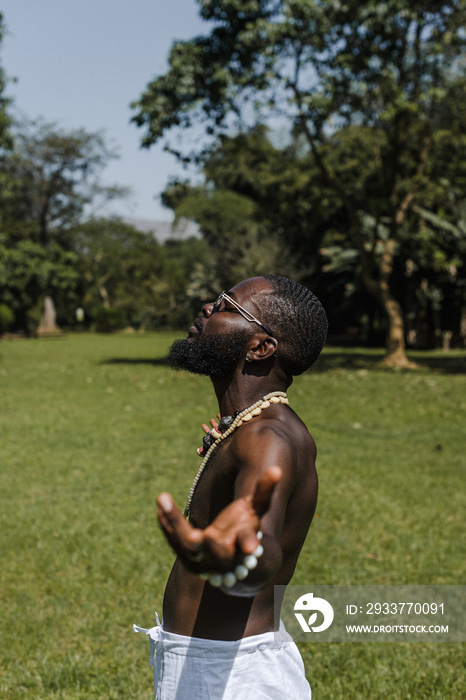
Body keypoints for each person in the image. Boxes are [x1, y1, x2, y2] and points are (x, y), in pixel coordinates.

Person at [135, 275, 328, 699]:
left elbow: (261, 547)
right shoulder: (250, 430)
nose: (207, 308)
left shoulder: (265, 440)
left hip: (229, 676)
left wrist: (240, 559)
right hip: (219, 663)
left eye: (226, 305)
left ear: (260, 347)